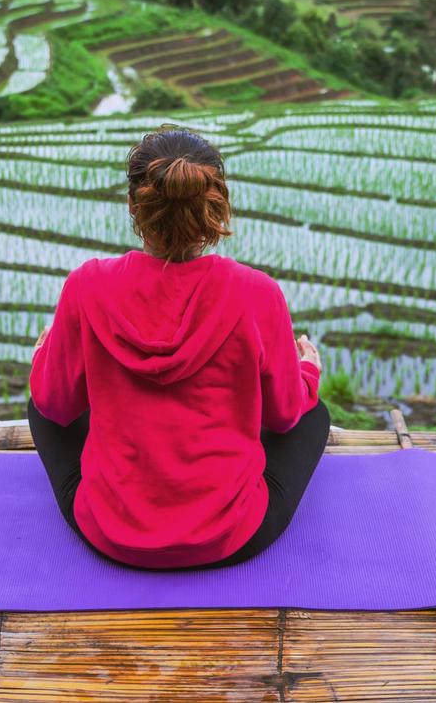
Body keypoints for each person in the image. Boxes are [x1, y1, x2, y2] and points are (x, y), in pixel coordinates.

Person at [25, 127, 328, 570]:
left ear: (134, 205)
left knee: (43, 405)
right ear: (217, 205)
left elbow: (55, 405)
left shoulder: (87, 286)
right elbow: (282, 415)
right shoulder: (256, 293)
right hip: (230, 535)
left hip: (110, 533)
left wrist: (44, 358)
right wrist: (306, 370)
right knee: (311, 413)